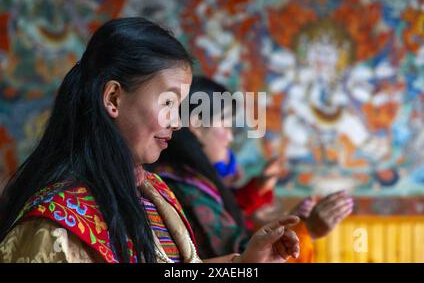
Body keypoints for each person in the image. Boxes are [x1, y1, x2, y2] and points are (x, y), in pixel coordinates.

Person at [0, 18, 300, 263]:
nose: (177, 121)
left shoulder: (154, 192)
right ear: (114, 98)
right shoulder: (56, 225)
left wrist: (246, 265)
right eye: (168, 103)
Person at [151, 76, 353, 262]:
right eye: (226, 126)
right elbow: (241, 257)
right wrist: (307, 230)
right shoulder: (184, 189)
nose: (230, 138)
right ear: (196, 125)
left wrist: (268, 203)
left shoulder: (186, 179)